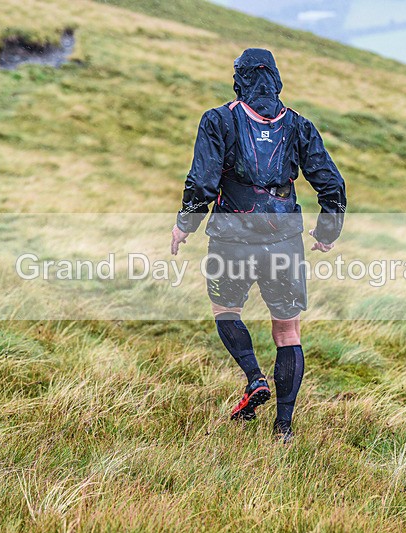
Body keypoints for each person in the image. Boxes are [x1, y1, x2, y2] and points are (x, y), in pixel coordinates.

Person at [170, 48, 347, 442]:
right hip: (283, 239)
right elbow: (332, 184)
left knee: (225, 310)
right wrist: (326, 232)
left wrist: (185, 225)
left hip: (232, 237)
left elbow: (202, 181)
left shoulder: (219, 119)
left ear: (240, 79)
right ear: (276, 80)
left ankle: (254, 378)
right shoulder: (299, 126)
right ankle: (283, 429)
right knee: (287, 332)